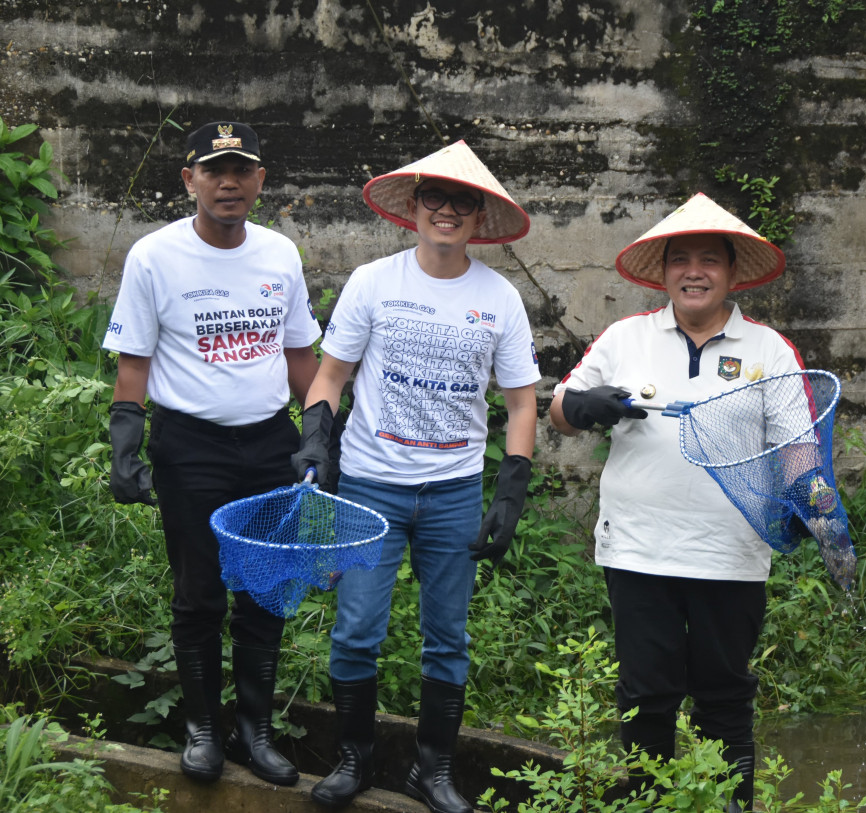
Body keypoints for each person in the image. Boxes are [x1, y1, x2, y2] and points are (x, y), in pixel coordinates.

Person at [293, 140, 539, 812]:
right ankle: (354, 758)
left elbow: (522, 402)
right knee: (356, 627)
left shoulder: (499, 299)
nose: (448, 211)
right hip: (371, 485)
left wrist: (509, 491)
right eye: (437, 196)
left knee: (448, 636)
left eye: (464, 201)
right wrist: (317, 440)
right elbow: (332, 375)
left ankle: (431, 772)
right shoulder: (374, 282)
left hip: (454, 490)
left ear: (480, 216)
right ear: (414, 206)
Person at [549, 193, 802, 813]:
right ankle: (651, 806)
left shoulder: (770, 350)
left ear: (732, 273)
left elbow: (797, 448)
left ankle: (731, 806)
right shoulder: (625, 337)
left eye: (709, 260)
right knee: (647, 697)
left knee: (725, 695)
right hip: (639, 551)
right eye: (680, 259)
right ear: (662, 274)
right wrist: (582, 407)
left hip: (732, 556)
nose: (695, 271)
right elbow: (559, 408)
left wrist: (808, 497)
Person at [103, 121, 321, 786]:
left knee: (265, 590)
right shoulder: (153, 257)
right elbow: (133, 365)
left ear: (260, 179)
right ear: (189, 179)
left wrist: (319, 434)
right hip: (190, 446)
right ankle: (202, 730)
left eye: (241, 169)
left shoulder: (280, 255)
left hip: (267, 443)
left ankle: (254, 732)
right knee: (199, 594)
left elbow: (301, 358)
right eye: (213, 169)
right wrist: (124, 444)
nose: (228, 182)